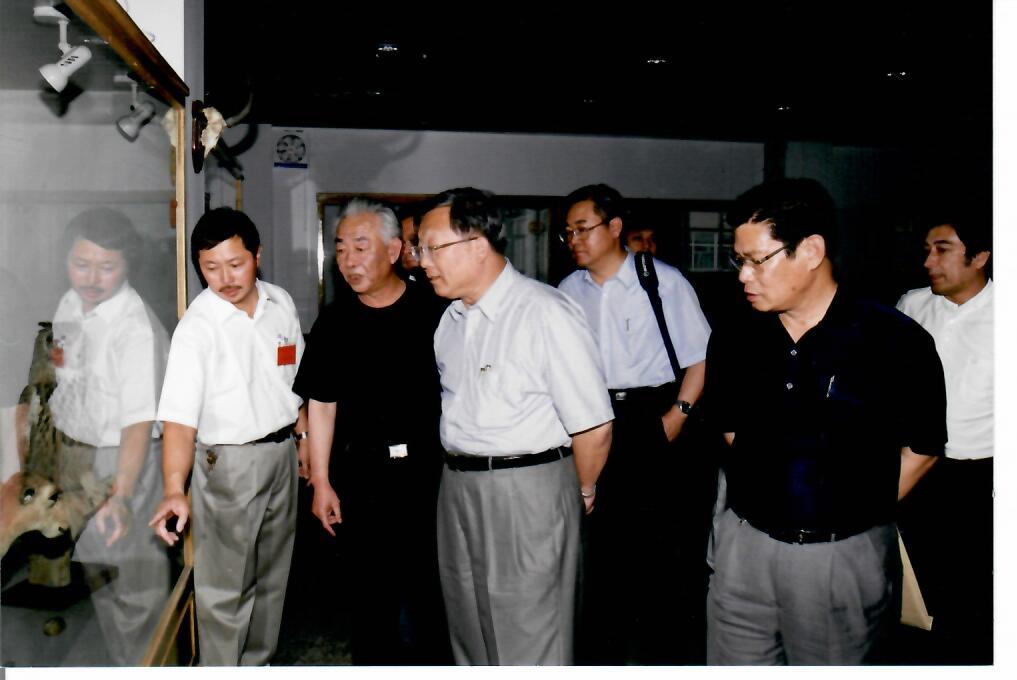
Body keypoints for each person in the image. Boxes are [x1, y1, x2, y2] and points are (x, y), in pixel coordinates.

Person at [704, 177, 947, 665]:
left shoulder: (893, 340)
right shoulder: (736, 336)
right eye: (739, 260)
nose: (744, 276)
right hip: (743, 547)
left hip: (840, 556)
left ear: (812, 250)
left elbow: (922, 448)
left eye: (758, 260)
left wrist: (848, 509)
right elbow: (731, 428)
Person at [416, 187, 614, 665]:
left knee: (530, 634)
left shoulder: (544, 312)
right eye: (419, 249)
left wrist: (579, 491)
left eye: (433, 248)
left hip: (528, 489)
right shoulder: (450, 321)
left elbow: (594, 426)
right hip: (458, 486)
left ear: (477, 245)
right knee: (469, 630)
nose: (422, 262)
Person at [557, 184, 712, 664]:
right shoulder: (568, 291)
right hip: (592, 419)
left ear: (614, 227)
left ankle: (667, 658)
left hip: (652, 416)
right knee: (601, 550)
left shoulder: (661, 281)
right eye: (568, 233)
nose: (574, 240)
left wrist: (677, 416)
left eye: (583, 229)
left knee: (663, 551)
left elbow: (701, 358)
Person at [293, 198, 451, 664]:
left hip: (429, 478)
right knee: (370, 607)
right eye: (341, 249)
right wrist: (321, 480)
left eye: (361, 247)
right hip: (361, 481)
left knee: (428, 605)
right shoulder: (334, 322)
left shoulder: (436, 313)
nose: (348, 261)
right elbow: (321, 405)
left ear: (394, 250)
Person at [149, 207, 309, 666]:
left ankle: (257, 666)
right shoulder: (197, 328)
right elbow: (179, 420)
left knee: (273, 579)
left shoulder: (280, 303)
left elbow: (295, 383)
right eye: (211, 268)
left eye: (236, 264)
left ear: (258, 255)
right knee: (226, 589)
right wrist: (173, 489)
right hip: (229, 463)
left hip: (281, 454)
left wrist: (303, 442)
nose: (225, 278)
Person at [48, 207, 171, 664]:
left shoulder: (134, 328)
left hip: (127, 457)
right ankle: (124, 665)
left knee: (136, 583)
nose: (92, 278)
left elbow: (137, 422)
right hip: (80, 455)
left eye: (107, 266)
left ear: (128, 264)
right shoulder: (68, 304)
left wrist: (120, 495)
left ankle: (149, 667)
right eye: (81, 264)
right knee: (100, 572)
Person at [895, 212, 992, 664]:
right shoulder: (912, 306)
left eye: (942, 250)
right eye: (926, 250)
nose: (928, 261)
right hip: (917, 467)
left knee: (974, 597)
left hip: (982, 475)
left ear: (981, 256)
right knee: (915, 594)